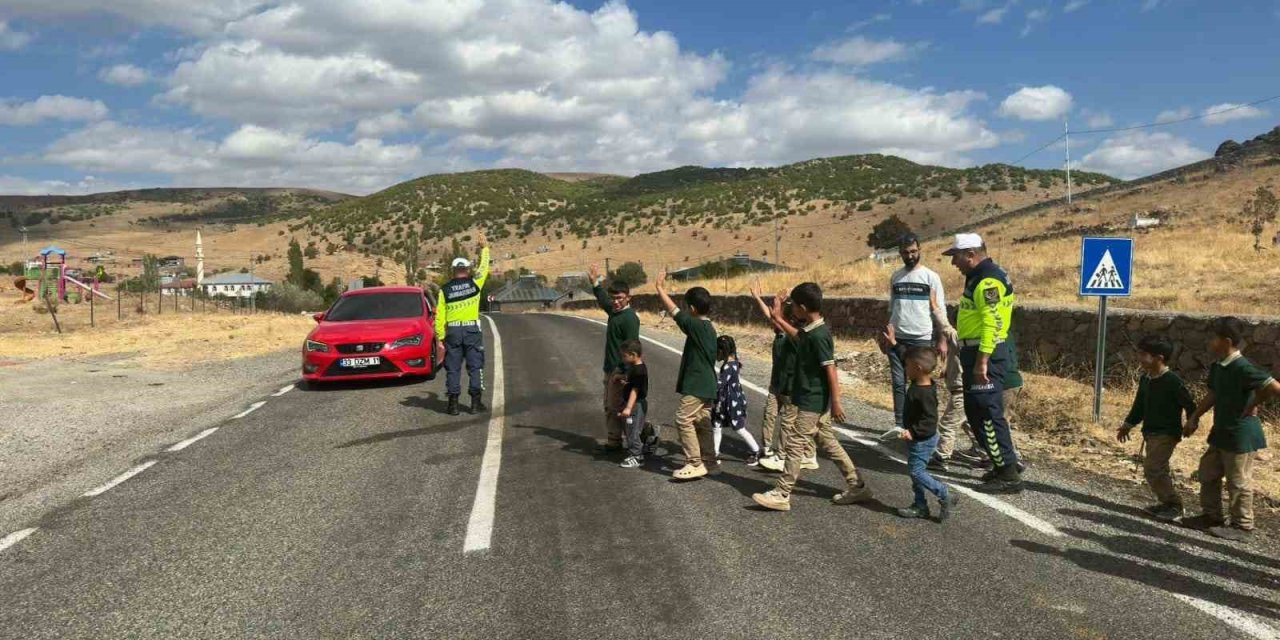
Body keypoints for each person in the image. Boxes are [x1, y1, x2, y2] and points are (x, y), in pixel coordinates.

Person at [752, 283, 873, 512]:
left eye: (794, 307)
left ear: (803, 307)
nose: (793, 310)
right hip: (809, 397)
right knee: (827, 442)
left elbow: (831, 369)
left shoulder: (820, 335)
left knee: (796, 442)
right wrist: (778, 319)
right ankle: (857, 485)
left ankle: (782, 492)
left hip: (813, 400)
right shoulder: (811, 330)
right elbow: (798, 338)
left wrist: (836, 402)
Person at [1182, 317, 1280, 541]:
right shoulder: (1219, 366)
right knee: (1207, 472)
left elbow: (1273, 387)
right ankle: (1211, 516)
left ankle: (1242, 526)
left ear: (1226, 341)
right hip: (1222, 431)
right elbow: (1213, 394)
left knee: (1238, 480)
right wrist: (1195, 417)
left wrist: (1253, 403)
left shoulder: (1243, 367)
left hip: (1240, 434)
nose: (1209, 342)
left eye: (1213, 338)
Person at [944, 232, 1021, 493]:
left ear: (971, 254)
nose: (953, 263)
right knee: (977, 412)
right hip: (975, 351)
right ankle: (1001, 466)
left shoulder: (988, 280)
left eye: (955, 257)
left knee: (987, 414)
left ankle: (1008, 473)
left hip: (984, 353)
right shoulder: (979, 276)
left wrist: (982, 361)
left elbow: (992, 322)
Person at [1116, 335, 1197, 521]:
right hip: (1151, 432)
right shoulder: (1146, 379)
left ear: (1159, 358)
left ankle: (1174, 505)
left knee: (1153, 468)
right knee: (1158, 469)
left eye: (1143, 354)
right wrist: (1127, 425)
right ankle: (1166, 503)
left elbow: (1190, 404)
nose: (1139, 357)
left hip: (1166, 433)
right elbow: (1139, 406)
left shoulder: (1172, 381)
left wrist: (1191, 422)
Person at [654, 271, 719, 480]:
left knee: (683, 420)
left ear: (692, 308)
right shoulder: (708, 328)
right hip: (708, 384)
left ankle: (695, 462)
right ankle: (709, 459)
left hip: (697, 385)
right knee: (702, 421)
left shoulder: (696, 325)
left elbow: (673, 311)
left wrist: (660, 289)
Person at [749, 282, 817, 473]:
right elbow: (770, 316)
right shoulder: (779, 333)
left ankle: (785, 455)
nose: (773, 322)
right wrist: (757, 298)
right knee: (769, 415)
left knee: (788, 422)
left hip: (790, 386)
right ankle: (767, 449)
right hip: (775, 383)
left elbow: (775, 317)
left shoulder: (794, 335)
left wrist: (778, 304)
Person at [884, 233, 946, 434]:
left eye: (913, 252)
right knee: (898, 383)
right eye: (905, 252)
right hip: (897, 338)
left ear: (919, 250)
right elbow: (892, 308)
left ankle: (920, 426)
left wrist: (942, 340)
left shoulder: (931, 277)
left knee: (920, 384)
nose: (909, 256)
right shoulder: (896, 277)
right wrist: (885, 334)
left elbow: (939, 310)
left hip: (921, 339)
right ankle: (900, 425)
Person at [896, 346, 959, 521]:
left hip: (922, 440)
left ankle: (945, 495)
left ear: (918, 368)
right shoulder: (921, 381)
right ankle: (920, 505)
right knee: (915, 472)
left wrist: (913, 433)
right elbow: (909, 355)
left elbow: (930, 421)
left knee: (917, 472)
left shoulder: (924, 394)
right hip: (918, 439)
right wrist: (895, 344)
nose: (904, 368)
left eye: (907, 366)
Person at [436, 231, 490, 416]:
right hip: (471, 330)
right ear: (467, 269)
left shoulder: (444, 290)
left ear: (453, 270)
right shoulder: (475, 283)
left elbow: (439, 317)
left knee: (453, 368)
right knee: (475, 366)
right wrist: (485, 249)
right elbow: (484, 268)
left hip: (452, 332)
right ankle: (475, 404)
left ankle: (453, 405)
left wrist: (440, 338)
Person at [589, 264, 640, 452]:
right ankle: (614, 441)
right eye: (614, 298)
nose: (615, 302)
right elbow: (603, 300)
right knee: (610, 407)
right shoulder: (615, 311)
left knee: (618, 407)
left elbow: (633, 347)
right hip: (610, 369)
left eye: (619, 298)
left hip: (620, 371)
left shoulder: (629, 318)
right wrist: (595, 283)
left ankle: (641, 436)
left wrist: (627, 372)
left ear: (628, 298)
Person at [712, 335, 763, 465]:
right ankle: (715, 453)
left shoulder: (729, 366)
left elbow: (720, 384)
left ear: (723, 351)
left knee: (739, 428)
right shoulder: (732, 362)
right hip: (724, 401)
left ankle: (757, 451)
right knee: (716, 426)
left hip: (730, 402)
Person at [618, 340, 650, 469]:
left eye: (624, 356)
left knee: (632, 431)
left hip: (635, 405)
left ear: (633, 354)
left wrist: (628, 408)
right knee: (634, 428)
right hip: (635, 404)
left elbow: (635, 390)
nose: (623, 358)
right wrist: (625, 381)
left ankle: (637, 456)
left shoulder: (639, 371)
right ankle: (649, 438)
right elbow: (632, 383)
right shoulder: (636, 367)